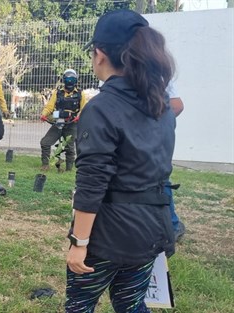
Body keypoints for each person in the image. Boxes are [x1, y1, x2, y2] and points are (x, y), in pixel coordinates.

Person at [66, 9, 176, 312]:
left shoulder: (102, 108)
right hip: (151, 230)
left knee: (80, 305)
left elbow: (92, 181)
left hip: (108, 235)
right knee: (131, 306)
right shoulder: (162, 105)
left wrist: (80, 243)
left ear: (99, 54)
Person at [39, 69, 88, 172]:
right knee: (45, 143)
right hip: (59, 122)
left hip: (72, 123)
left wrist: (79, 116)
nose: (69, 82)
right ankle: (45, 165)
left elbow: (84, 109)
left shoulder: (80, 94)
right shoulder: (57, 93)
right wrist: (43, 115)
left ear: (75, 81)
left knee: (69, 148)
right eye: (67, 79)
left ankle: (69, 169)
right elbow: (49, 107)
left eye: (72, 80)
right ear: (64, 80)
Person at [165, 80, 186, 241]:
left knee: (159, 178)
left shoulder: (154, 70)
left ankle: (172, 225)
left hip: (150, 138)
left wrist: (152, 124)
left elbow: (177, 105)